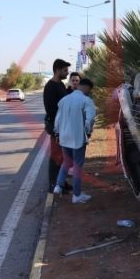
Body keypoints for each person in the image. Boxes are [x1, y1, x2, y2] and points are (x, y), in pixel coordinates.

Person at [53, 78, 97, 203]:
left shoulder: (64, 100)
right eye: (89, 90)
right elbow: (90, 119)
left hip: (64, 137)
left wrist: (57, 132)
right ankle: (76, 195)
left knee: (66, 163)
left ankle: (58, 186)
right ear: (87, 88)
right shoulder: (86, 100)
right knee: (77, 165)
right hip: (77, 138)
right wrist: (88, 132)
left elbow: (58, 119)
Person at [43, 58, 70, 192]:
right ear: (58, 70)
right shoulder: (50, 86)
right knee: (56, 155)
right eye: (65, 70)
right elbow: (51, 109)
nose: (67, 73)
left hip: (63, 125)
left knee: (63, 155)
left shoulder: (61, 85)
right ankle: (53, 184)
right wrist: (57, 127)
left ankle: (61, 182)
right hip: (56, 126)